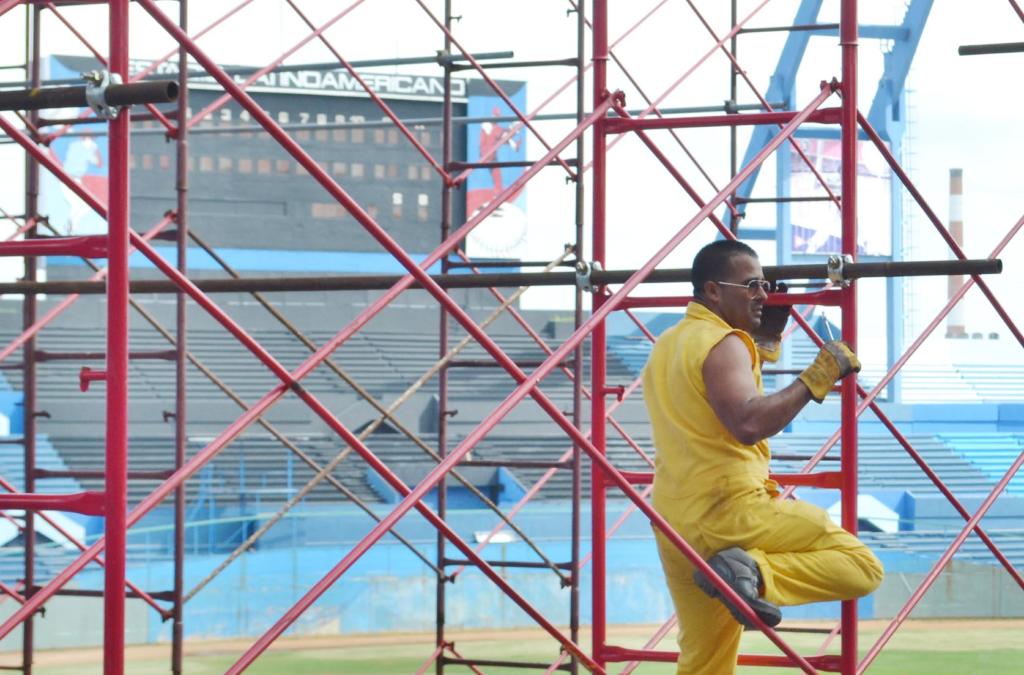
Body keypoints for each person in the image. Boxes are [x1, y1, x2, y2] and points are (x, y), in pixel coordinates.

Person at [642, 239, 884, 674]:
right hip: (731, 514)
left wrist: (766, 339)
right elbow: (748, 422)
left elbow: (720, 392)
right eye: (751, 285)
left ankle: (738, 575)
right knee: (862, 566)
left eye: (765, 284)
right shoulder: (723, 341)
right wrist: (816, 377)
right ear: (714, 290)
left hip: (675, 522)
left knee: (705, 661)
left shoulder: (670, 343)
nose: (764, 295)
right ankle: (751, 573)